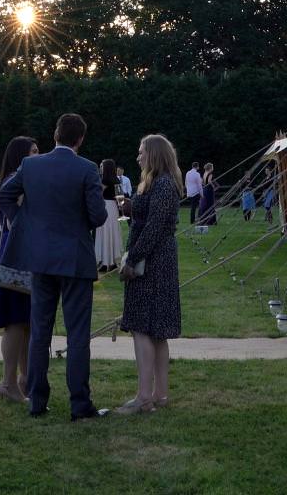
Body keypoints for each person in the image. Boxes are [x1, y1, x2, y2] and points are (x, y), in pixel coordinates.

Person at [0, 114, 107, 421]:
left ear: (55, 134)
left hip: (40, 259)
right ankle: (79, 403)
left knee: (40, 331)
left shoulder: (31, 166)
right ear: (80, 139)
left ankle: (37, 400)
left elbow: (4, 195)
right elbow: (98, 216)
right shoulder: (86, 168)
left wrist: (22, 221)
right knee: (77, 334)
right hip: (75, 259)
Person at [117, 133, 182, 414]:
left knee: (143, 327)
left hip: (153, 263)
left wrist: (132, 259)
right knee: (155, 331)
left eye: (142, 151)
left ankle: (146, 396)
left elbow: (154, 227)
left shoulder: (164, 184)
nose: (138, 156)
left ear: (154, 154)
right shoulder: (157, 183)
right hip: (156, 260)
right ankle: (159, 394)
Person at [0, 135, 39, 403]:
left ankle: (25, 379)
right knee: (16, 323)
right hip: (15, 259)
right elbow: (14, 221)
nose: (38, 155)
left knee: (26, 322)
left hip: (23, 257)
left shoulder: (19, 180)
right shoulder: (13, 182)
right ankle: (8, 382)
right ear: (20, 155)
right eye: (33, 151)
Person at [95, 159, 124, 271]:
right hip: (113, 208)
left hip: (106, 206)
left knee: (104, 233)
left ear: (106, 168)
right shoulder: (116, 180)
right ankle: (111, 261)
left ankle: (105, 261)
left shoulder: (105, 180)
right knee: (112, 233)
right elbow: (120, 196)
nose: (100, 168)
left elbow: (98, 193)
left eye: (102, 166)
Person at [197, 163, 218, 230]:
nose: (213, 168)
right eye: (212, 167)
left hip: (205, 189)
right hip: (209, 190)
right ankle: (211, 221)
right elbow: (209, 181)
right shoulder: (210, 174)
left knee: (205, 205)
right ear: (210, 168)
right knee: (210, 205)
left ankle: (203, 219)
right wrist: (213, 186)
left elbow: (203, 182)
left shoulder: (205, 173)